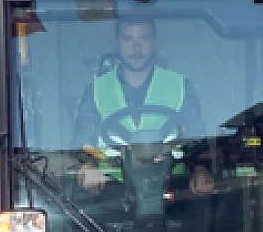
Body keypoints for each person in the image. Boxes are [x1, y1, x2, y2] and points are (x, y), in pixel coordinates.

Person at [73, 17, 213, 196]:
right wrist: (88, 165)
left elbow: (196, 138)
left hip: (173, 188)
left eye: (143, 39)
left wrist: (200, 167)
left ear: (154, 42)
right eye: (128, 39)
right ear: (117, 43)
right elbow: (83, 140)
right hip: (113, 189)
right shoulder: (97, 89)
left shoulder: (180, 85)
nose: (136, 48)